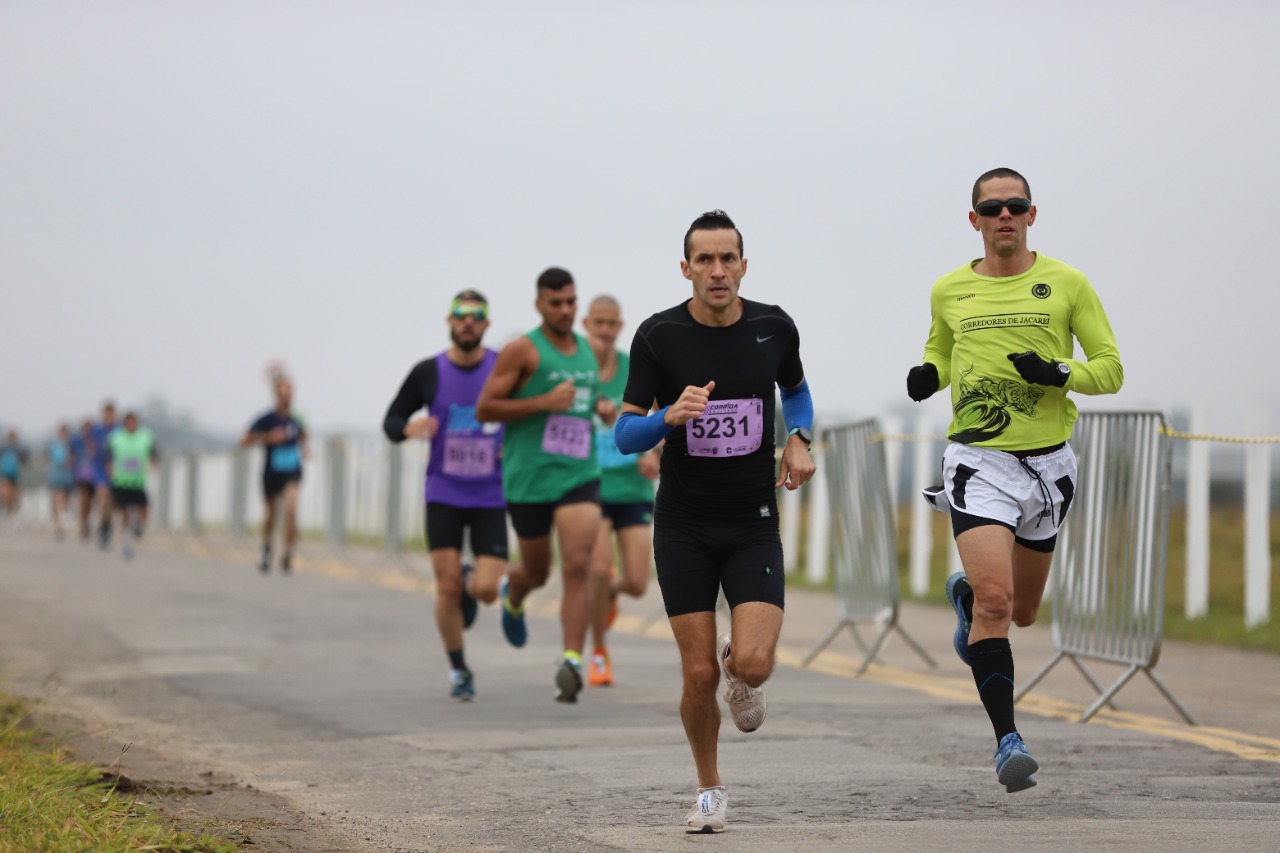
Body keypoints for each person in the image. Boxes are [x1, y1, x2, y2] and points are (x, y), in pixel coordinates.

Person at [905, 168, 1124, 794]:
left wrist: (1058, 372)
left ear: (1032, 214)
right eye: (992, 208)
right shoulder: (949, 289)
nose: (1005, 216)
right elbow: (941, 352)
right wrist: (930, 374)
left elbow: (1110, 370)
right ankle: (1007, 740)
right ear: (973, 220)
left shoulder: (1066, 284)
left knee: (1021, 611)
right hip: (979, 462)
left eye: (1016, 206)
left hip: (1048, 466)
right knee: (1000, 603)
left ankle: (970, 604)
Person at [613, 210, 816, 833]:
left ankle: (740, 667)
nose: (718, 270)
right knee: (696, 672)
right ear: (687, 269)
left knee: (752, 665)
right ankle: (709, 788)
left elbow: (797, 392)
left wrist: (800, 437)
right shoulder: (658, 336)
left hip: (752, 519)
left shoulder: (774, 326)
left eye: (728, 258)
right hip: (684, 525)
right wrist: (667, 417)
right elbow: (624, 433)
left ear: (744, 266)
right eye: (705, 259)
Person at [475, 266, 608, 704]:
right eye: (556, 303)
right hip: (529, 478)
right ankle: (515, 595)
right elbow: (486, 408)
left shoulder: (588, 352)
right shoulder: (521, 351)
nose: (566, 310)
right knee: (537, 570)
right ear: (539, 305)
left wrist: (604, 408)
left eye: (571, 301)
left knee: (576, 562)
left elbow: (585, 404)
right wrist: (542, 403)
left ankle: (571, 660)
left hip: (579, 474)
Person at [382, 290, 507, 701]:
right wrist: (409, 428)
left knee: (488, 590)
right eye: (460, 315)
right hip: (444, 492)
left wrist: (518, 444)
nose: (468, 322)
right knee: (446, 587)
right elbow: (391, 420)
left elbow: (530, 412)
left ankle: (475, 583)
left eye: (476, 315)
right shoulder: (428, 372)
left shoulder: (502, 367)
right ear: (449, 322)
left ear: (486, 324)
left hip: (491, 493)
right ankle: (459, 669)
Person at [581, 294, 659, 687]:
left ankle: (606, 595)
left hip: (631, 488)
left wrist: (656, 454)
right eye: (599, 323)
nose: (606, 331)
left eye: (613, 324)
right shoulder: (576, 371)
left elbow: (662, 417)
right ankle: (598, 650)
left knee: (635, 582)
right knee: (596, 569)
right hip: (588, 486)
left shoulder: (633, 369)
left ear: (620, 327)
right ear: (585, 324)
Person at [242, 373, 308, 573]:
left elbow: (304, 438)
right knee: (271, 514)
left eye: (290, 391)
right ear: (276, 394)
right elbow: (244, 440)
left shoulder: (297, 421)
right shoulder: (265, 419)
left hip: (292, 472)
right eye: (283, 391)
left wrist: (305, 448)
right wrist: (267, 438)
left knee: (290, 508)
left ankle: (288, 551)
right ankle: (266, 547)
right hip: (271, 472)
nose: (287, 395)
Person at [106, 411, 159, 560]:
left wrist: (153, 463)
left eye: (133, 422)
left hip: (138, 480)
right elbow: (108, 456)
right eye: (128, 422)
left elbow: (153, 453)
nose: (131, 425)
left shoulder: (145, 437)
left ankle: (139, 525)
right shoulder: (116, 438)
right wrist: (109, 469)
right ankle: (126, 543)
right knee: (124, 513)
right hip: (121, 480)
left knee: (144, 508)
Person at [90, 401, 120, 549]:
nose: (109, 417)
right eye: (106, 414)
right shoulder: (96, 431)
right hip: (100, 469)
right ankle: (103, 530)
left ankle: (106, 527)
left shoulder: (120, 430)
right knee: (104, 495)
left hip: (117, 471)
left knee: (112, 504)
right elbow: (92, 451)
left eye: (111, 414)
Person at [45, 423, 76, 539]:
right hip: (57, 476)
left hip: (68, 477)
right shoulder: (54, 445)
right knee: (59, 497)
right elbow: (53, 458)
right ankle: (59, 523)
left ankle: (60, 520)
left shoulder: (72, 444)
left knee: (66, 500)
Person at [69, 419, 99, 540]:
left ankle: (90, 520)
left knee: (95, 500)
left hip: (95, 475)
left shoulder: (97, 441)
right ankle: (84, 522)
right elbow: (71, 457)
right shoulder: (76, 441)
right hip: (81, 475)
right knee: (84, 498)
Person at [0, 429, 27, 518]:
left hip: (10, 474)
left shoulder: (5, 447)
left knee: (11, 495)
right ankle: (9, 512)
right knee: (10, 495)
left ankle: (9, 513)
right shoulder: (15, 448)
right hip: (9, 474)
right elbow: (24, 459)